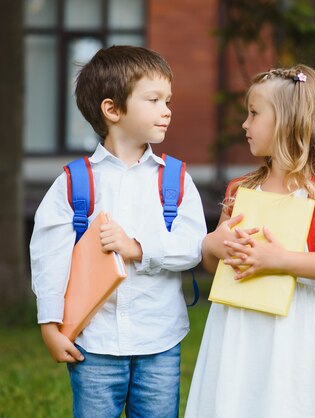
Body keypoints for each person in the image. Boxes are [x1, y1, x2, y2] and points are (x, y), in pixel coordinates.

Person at [30, 45, 207, 418]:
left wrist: (138, 248)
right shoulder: (75, 183)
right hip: (94, 344)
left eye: (168, 100)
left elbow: (193, 247)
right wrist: (50, 325)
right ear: (112, 110)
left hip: (159, 341)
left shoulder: (174, 180)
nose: (167, 110)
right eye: (154, 99)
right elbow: (49, 259)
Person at [185, 64, 315, 418]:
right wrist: (213, 246)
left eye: (254, 114)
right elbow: (213, 264)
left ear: (287, 122)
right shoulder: (241, 190)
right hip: (234, 324)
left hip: (292, 330)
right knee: (226, 401)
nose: (245, 124)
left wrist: (280, 260)